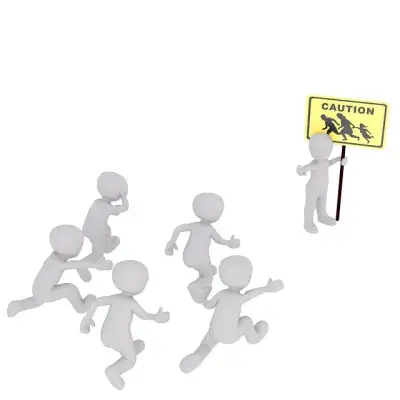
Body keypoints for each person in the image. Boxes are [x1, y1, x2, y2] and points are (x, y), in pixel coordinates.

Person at [179, 255, 283, 373]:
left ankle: (199, 355)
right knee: (246, 321)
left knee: (207, 344)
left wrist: (204, 295)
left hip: (214, 331)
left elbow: (207, 305)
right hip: (229, 336)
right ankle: (254, 338)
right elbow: (252, 294)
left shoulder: (221, 294)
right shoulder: (239, 298)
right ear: (245, 279)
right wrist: (266, 288)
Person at [80, 260, 170, 390]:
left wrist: (86, 320)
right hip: (121, 339)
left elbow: (96, 302)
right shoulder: (131, 303)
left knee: (133, 345)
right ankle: (114, 371)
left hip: (105, 337)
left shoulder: (114, 298)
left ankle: (130, 348)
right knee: (130, 360)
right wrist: (156, 317)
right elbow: (145, 316)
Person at [7, 225, 112, 318]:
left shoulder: (54, 256)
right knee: (70, 289)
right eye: (80, 245)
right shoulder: (58, 264)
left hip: (37, 289)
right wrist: (95, 265)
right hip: (46, 293)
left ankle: (18, 305)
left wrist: (86, 265)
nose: (81, 248)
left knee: (37, 300)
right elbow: (76, 264)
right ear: (71, 248)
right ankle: (82, 307)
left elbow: (77, 264)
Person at [165, 193, 240, 303]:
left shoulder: (194, 226)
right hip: (201, 259)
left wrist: (172, 241)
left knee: (209, 270)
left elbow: (179, 228)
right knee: (209, 277)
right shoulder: (209, 229)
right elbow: (219, 240)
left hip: (188, 257)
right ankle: (194, 287)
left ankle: (204, 279)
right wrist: (229, 243)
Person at [79, 171, 129, 282]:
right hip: (96, 232)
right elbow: (125, 208)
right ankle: (82, 266)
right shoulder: (105, 207)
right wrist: (123, 196)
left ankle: (107, 246)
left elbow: (115, 212)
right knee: (97, 253)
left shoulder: (98, 203)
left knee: (107, 231)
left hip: (92, 229)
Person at [296, 133, 347, 234]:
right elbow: (305, 168)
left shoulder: (325, 162)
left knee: (322, 203)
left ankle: (322, 216)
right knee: (310, 205)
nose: (323, 153)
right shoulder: (314, 164)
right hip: (312, 189)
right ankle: (308, 223)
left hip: (323, 188)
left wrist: (340, 159)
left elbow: (330, 162)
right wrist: (301, 170)